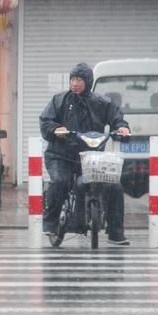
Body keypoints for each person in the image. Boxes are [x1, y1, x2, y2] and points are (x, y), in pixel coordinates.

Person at [40, 62, 131, 245]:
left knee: (114, 186)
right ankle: (50, 223)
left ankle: (115, 233)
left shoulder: (101, 102)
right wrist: (56, 129)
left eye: (79, 79)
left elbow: (117, 118)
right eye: (72, 79)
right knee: (60, 182)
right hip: (60, 156)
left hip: (91, 158)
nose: (75, 83)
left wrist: (122, 128)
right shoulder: (59, 100)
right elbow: (45, 121)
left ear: (88, 82)